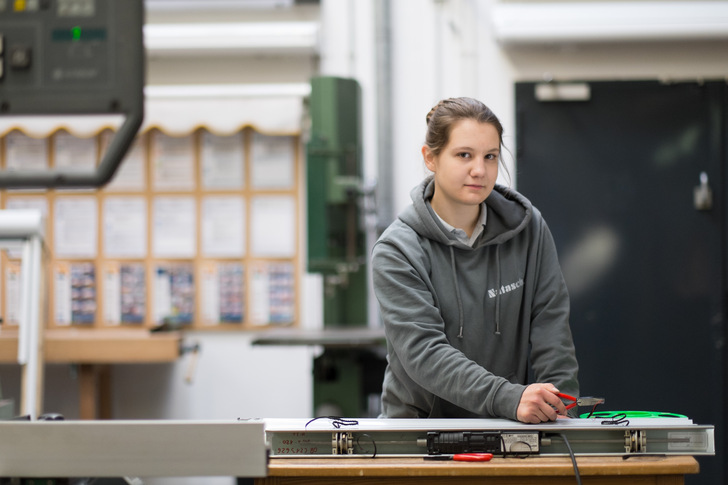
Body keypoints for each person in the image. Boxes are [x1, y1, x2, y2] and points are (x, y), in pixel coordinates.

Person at [372, 97, 579, 423]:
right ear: (431, 158)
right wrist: (509, 397)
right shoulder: (398, 249)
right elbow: (424, 353)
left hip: (511, 424)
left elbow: (550, 328)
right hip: (420, 434)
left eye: (490, 156)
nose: (479, 170)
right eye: (464, 155)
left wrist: (563, 410)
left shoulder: (528, 229)